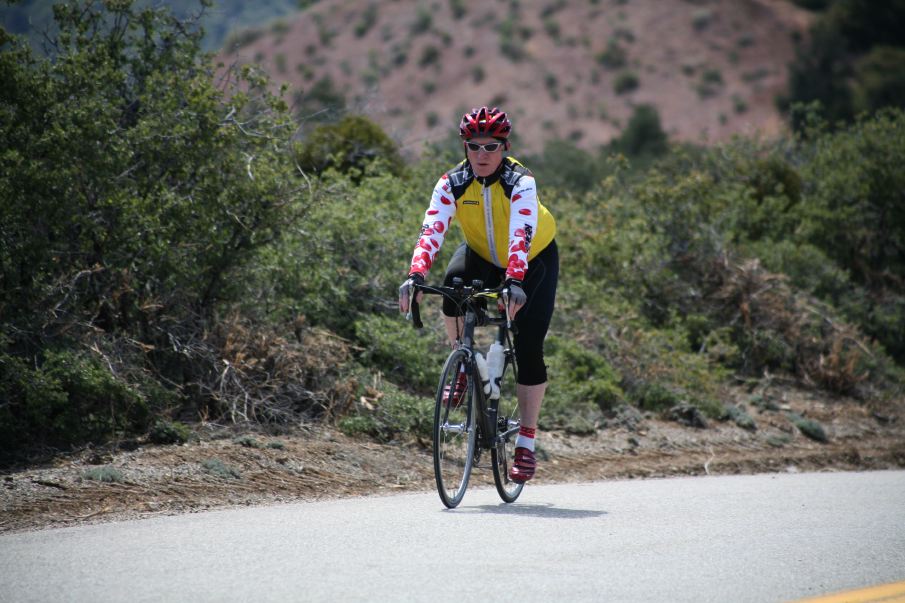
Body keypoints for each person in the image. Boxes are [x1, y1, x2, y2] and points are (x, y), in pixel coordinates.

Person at [398, 106, 559, 483]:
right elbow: (432, 230)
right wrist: (415, 275)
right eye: (474, 146)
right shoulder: (452, 182)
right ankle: (463, 363)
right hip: (483, 254)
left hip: (533, 259)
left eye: (491, 146)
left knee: (530, 344)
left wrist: (514, 282)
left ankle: (526, 442)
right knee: (452, 289)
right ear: (464, 146)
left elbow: (521, 235)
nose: (482, 154)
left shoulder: (520, 181)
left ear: (506, 146)